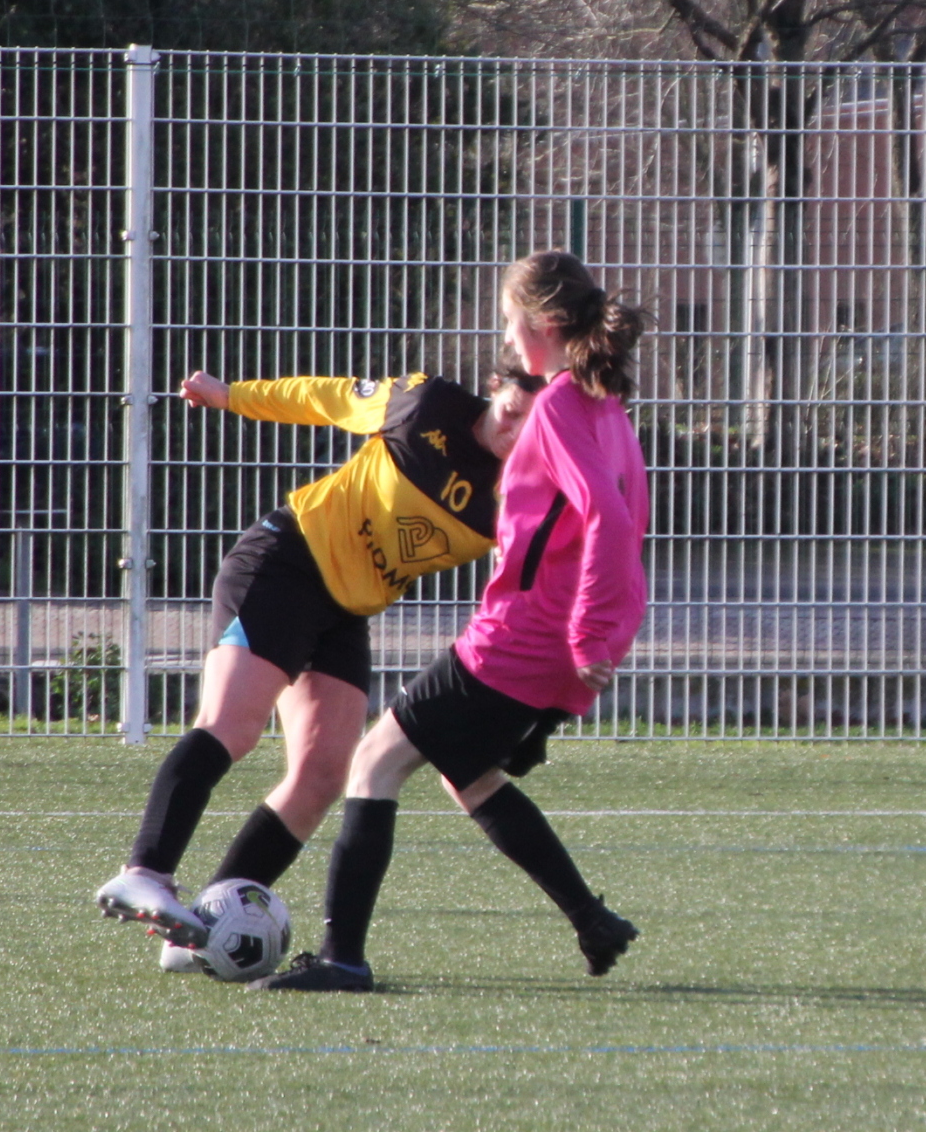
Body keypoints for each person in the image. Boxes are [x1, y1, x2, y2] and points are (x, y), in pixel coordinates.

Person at [251, 251, 649, 992]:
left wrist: (592, 635)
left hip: (521, 639)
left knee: (375, 763)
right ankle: (592, 921)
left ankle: (343, 958)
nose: (506, 335)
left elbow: (608, 520)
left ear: (544, 324)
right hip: (553, 648)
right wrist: (594, 651)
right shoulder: (606, 407)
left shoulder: (562, 403)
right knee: (469, 775)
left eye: (509, 318)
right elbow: (632, 521)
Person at [93, 362, 541, 966]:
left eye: (533, 427)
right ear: (496, 389)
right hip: (286, 562)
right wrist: (231, 393)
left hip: (344, 609)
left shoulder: (524, 491)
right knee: (232, 724)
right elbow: (325, 398)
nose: (515, 433)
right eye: (513, 412)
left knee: (323, 775)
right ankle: (145, 870)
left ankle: (204, 928)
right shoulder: (426, 404)